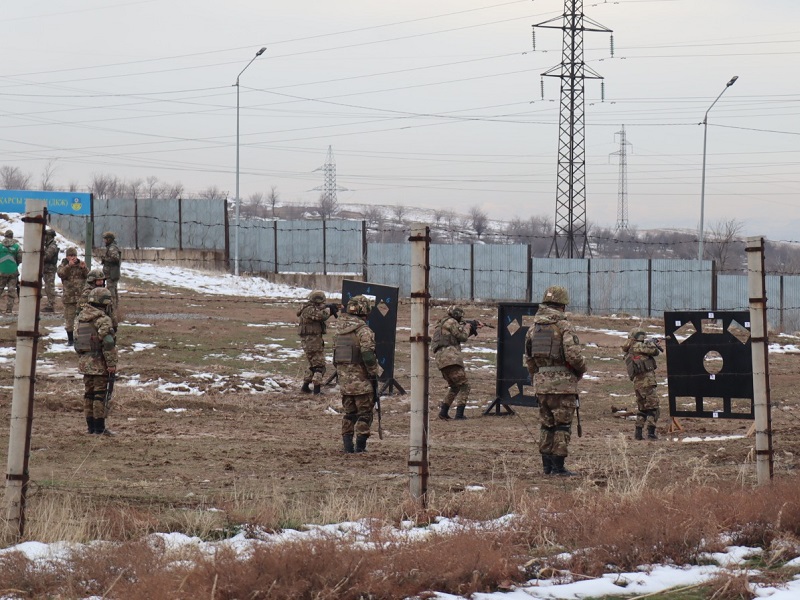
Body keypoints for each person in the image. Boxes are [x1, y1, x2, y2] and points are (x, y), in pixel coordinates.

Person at [524, 285, 586, 476]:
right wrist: (581, 370)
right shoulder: (564, 326)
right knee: (562, 426)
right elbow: (573, 355)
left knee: (546, 425)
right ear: (562, 306)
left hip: (541, 384)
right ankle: (558, 467)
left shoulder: (533, 328)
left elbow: (529, 358)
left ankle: (547, 467)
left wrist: (537, 377)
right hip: (563, 385)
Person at [333, 295, 381, 453]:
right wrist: (375, 371)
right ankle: (360, 447)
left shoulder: (339, 331)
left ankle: (347, 446)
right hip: (361, 380)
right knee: (365, 414)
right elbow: (367, 355)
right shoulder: (363, 331)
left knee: (349, 413)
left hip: (345, 381)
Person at [74, 287, 117, 435]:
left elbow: (76, 341)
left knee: (89, 394)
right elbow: (108, 343)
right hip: (99, 362)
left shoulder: (80, 318)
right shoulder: (103, 320)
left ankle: (91, 427)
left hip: (84, 361)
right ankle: (100, 427)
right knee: (100, 394)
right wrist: (111, 364)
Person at [431, 305, 482, 420]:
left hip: (441, 360)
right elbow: (463, 336)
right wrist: (469, 327)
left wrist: (472, 327)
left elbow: (455, 337)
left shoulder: (442, 324)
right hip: (451, 358)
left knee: (455, 386)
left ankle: (443, 412)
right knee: (465, 385)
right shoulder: (452, 322)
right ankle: (459, 414)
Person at [622, 327, 662, 441]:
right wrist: (653, 344)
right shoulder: (638, 346)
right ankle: (651, 433)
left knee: (642, 409)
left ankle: (638, 433)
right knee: (654, 408)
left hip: (638, 383)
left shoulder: (631, 347)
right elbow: (655, 352)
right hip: (647, 382)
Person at [297, 290, 334, 394]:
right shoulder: (309, 310)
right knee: (320, 366)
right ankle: (317, 390)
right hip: (312, 342)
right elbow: (322, 316)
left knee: (313, 365)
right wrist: (329, 310)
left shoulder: (308, 308)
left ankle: (305, 387)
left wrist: (326, 307)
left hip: (310, 341)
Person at [57, 247, 89, 346]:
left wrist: (84, 269)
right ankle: (70, 340)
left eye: (74, 255)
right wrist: (68, 266)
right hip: (69, 297)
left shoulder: (80, 265)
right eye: (71, 256)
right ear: (67, 257)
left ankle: (82, 339)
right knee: (69, 319)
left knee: (83, 319)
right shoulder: (63, 265)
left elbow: (88, 276)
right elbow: (61, 274)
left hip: (81, 297)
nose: (73, 258)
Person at [96, 231, 121, 310]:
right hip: (110, 273)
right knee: (113, 290)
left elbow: (115, 258)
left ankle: (113, 308)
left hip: (111, 273)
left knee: (111, 291)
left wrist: (105, 259)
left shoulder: (112, 248)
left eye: (105, 239)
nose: (104, 241)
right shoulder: (110, 247)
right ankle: (114, 308)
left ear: (109, 239)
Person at [0, 230, 22, 314]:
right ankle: (9, 309)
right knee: (11, 290)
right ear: (12, 236)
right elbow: (20, 258)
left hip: (1, 271)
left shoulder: (0, 245)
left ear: (5, 236)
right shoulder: (16, 247)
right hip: (13, 271)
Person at [42, 228, 60, 313]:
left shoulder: (52, 246)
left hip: (50, 269)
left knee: (50, 287)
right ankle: (50, 304)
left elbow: (47, 257)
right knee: (47, 287)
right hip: (46, 269)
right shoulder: (48, 245)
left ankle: (51, 305)